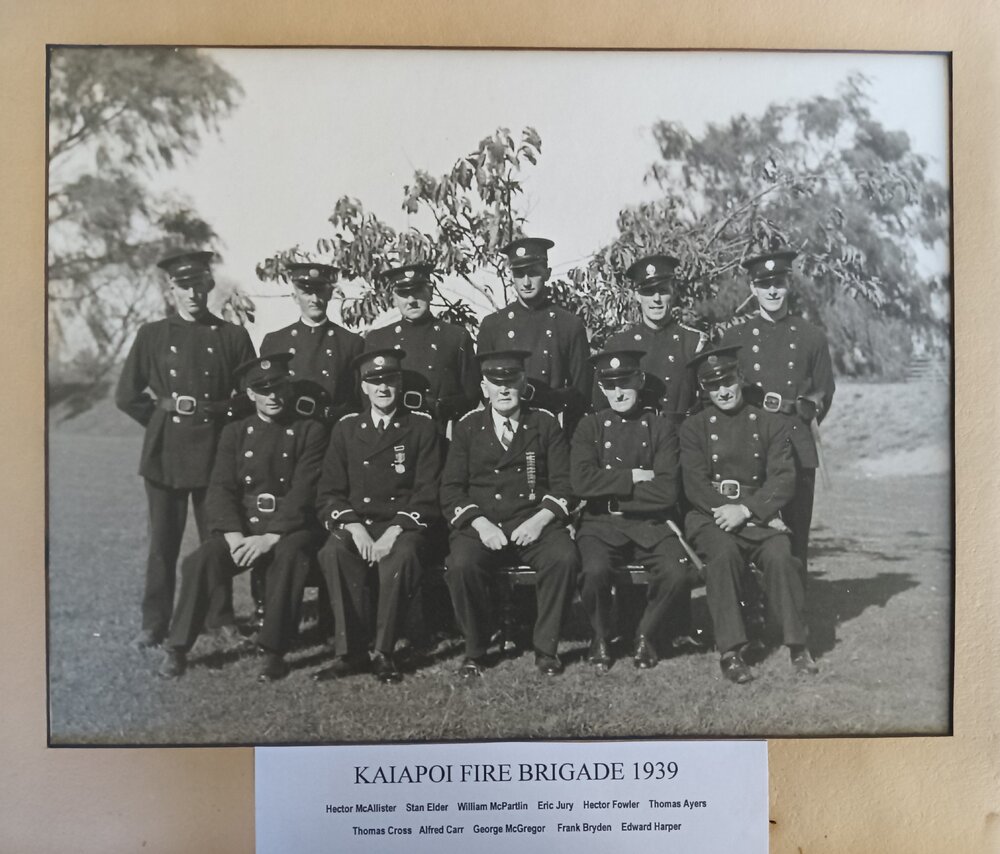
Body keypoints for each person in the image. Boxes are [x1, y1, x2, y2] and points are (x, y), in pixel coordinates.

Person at [157, 353, 327, 681]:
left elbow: (304, 491)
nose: (272, 396)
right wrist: (234, 535)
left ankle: (274, 651)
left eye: (278, 387)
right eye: (262, 390)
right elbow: (220, 489)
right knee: (201, 560)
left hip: (290, 527)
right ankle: (176, 648)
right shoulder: (235, 432)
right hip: (245, 527)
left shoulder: (310, 429)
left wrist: (271, 536)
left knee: (290, 556)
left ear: (287, 388)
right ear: (250, 394)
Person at [115, 249, 255, 649]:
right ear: (170, 288)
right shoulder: (152, 335)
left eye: (199, 284)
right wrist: (163, 416)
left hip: (215, 450)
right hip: (166, 453)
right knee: (163, 542)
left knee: (216, 538)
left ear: (210, 286)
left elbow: (251, 396)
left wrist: (214, 413)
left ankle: (221, 618)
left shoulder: (232, 335)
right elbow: (126, 395)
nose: (192, 293)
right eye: (183, 285)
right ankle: (154, 623)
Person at [679, 345, 816, 683]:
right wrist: (725, 511)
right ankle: (730, 651)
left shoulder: (770, 422)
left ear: (740, 378)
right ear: (703, 390)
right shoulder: (694, 427)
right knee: (723, 555)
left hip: (755, 514)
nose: (723, 391)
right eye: (713, 385)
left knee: (781, 554)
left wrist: (747, 510)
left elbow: (783, 478)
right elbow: (694, 483)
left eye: (728, 381)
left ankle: (798, 645)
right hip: (710, 516)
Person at [441, 350, 579, 678]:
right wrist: (481, 523)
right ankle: (475, 649)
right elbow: (450, 489)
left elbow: (565, 486)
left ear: (523, 383)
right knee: (461, 565)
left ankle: (546, 649)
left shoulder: (544, 424)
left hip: (532, 520)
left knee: (564, 558)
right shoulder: (467, 427)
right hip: (482, 522)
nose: (503, 390)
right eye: (495, 383)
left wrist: (539, 520)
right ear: (483, 387)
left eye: (511, 381)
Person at [313, 349, 443, 684]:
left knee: (402, 557)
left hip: (403, 524)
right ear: (363, 388)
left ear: (399, 384)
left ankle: (384, 652)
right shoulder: (346, 429)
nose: (382, 388)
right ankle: (351, 652)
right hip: (359, 522)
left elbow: (428, 491)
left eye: (389, 380)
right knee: (333, 551)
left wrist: (394, 531)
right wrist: (354, 527)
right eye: (374, 381)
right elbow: (329, 492)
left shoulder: (421, 426)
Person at [571, 350, 691, 672]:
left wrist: (609, 492)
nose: (619, 392)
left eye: (625, 383)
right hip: (600, 524)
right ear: (602, 388)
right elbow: (581, 482)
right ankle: (600, 636)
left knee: (677, 573)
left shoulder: (660, 428)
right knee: (594, 572)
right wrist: (633, 478)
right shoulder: (590, 427)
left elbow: (666, 491)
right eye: (610, 386)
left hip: (650, 523)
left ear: (639, 381)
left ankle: (645, 634)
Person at [719, 248, 835, 579]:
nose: (772, 291)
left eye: (779, 283)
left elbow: (824, 390)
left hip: (797, 445)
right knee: (747, 531)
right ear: (752, 289)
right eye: (764, 284)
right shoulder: (736, 337)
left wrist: (805, 411)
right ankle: (751, 613)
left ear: (788, 286)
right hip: (749, 446)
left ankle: (793, 621)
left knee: (796, 537)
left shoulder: (811, 336)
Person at [476, 237, 592, 434]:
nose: (526, 282)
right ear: (511, 276)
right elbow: (484, 387)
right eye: (520, 274)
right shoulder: (493, 325)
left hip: (551, 428)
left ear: (547, 274)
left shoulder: (569, 325)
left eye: (534, 273)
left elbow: (581, 391)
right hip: (506, 430)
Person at [364, 263, 481, 430]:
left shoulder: (455, 337)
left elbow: (471, 394)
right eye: (404, 294)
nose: (411, 301)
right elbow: (366, 396)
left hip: (439, 430)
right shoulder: (378, 339)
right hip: (394, 430)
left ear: (430, 292)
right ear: (394, 298)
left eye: (417, 291)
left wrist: (445, 407)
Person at [599, 253, 705, 419]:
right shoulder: (618, 345)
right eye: (648, 292)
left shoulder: (695, 343)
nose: (656, 299)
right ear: (637, 296)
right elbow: (602, 406)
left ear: (674, 293)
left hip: (682, 438)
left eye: (663, 291)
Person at [260, 262, 364, 429]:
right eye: (307, 293)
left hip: (333, 431)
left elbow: (358, 399)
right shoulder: (275, 341)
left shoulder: (350, 343)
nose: (315, 300)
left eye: (320, 291)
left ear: (330, 293)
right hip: (289, 430)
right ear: (295, 297)